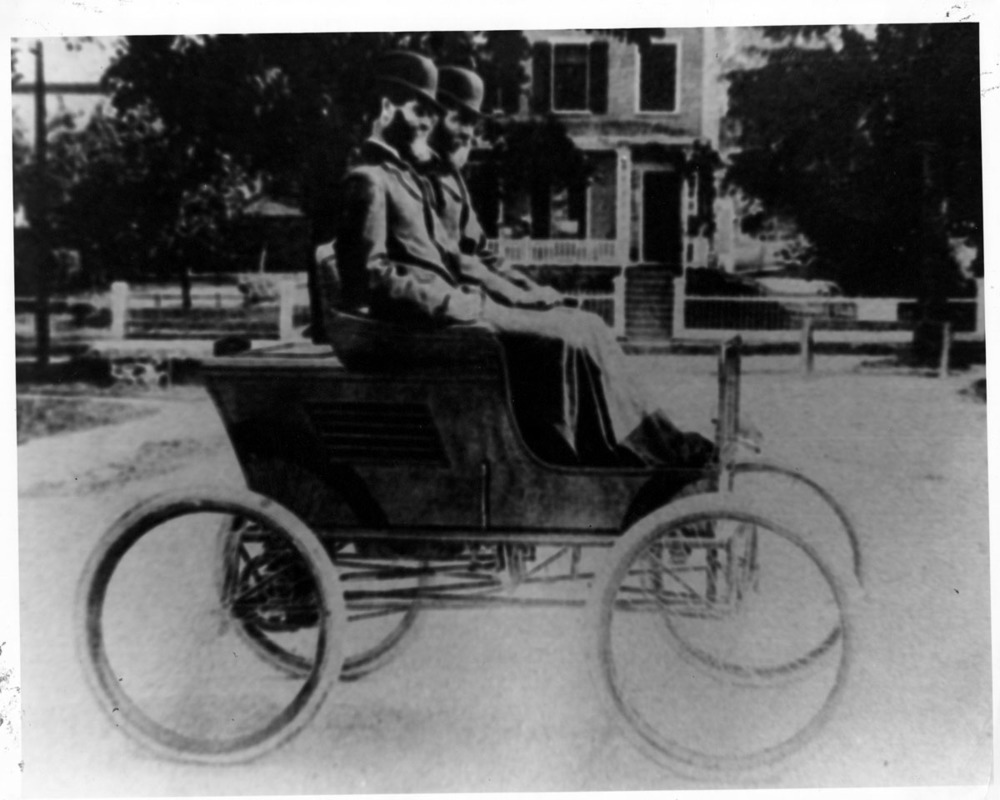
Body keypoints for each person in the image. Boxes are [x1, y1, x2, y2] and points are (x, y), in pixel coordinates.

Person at [333, 52, 716, 470]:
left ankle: (643, 446)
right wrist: (453, 302)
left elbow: (459, 254)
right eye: (419, 111)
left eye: (431, 112)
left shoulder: (406, 176)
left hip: (455, 310)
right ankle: (575, 458)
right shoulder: (371, 179)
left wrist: (523, 292)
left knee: (586, 328)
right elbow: (376, 274)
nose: (427, 122)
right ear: (387, 106)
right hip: (430, 324)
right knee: (563, 340)